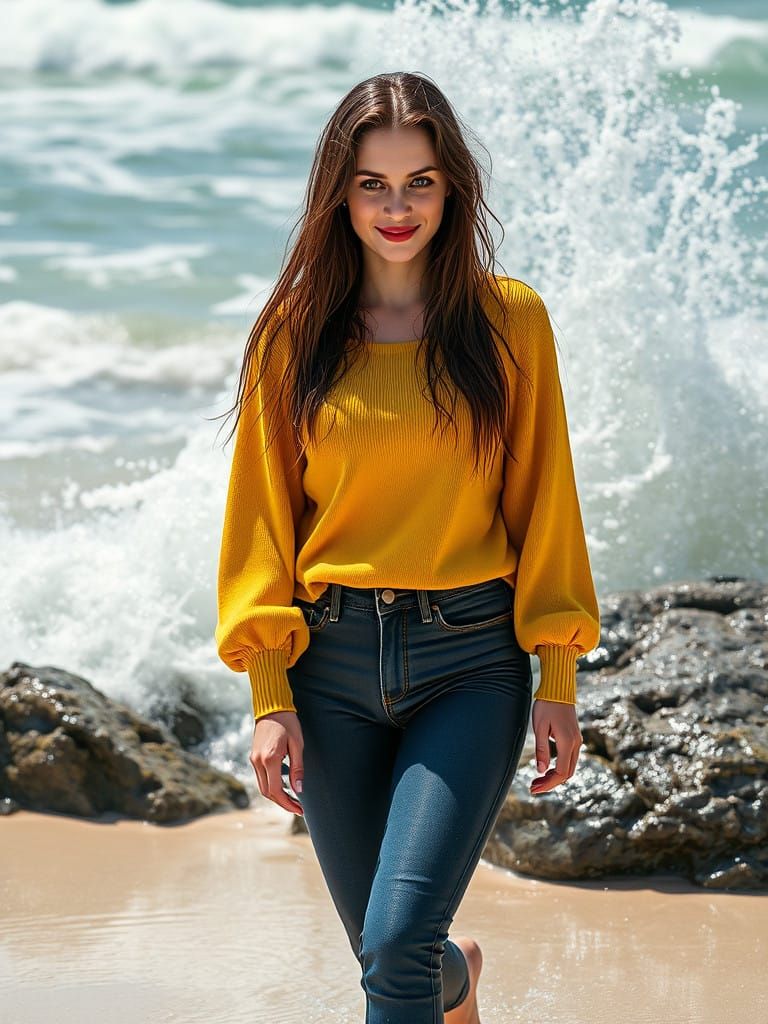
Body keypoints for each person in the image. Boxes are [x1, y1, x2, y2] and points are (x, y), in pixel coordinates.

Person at [214, 71, 600, 1024]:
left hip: (469, 664)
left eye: (420, 182)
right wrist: (270, 695)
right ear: (337, 194)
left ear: (452, 188)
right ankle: (456, 981)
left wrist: (557, 676)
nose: (397, 208)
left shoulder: (510, 321)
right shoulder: (293, 336)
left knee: (392, 949)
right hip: (330, 670)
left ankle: (441, 973)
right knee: (401, 962)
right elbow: (260, 521)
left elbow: (547, 503)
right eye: (373, 185)